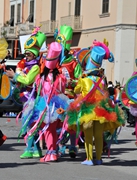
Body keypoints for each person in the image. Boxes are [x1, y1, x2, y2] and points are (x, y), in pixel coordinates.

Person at [65, 39, 125, 166]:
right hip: (101, 111)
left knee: (88, 136)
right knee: (98, 135)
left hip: (87, 110)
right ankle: (98, 159)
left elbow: (76, 90)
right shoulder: (101, 80)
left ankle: (88, 158)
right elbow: (104, 92)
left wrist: (77, 82)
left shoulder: (84, 80)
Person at [24, 42, 69, 162]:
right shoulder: (60, 77)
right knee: (52, 130)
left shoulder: (41, 77)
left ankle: (50, 153)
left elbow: (39, 91)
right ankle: (53, 151)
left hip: (46, 106)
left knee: (48, 130)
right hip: (58, 105)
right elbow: (63, 90)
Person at [6, 27, 46, 159]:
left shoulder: (35, 67)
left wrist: (16, 76)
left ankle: (29, 149)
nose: (26, 57)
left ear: (34, 55)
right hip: (27, 98)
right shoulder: (27, 66)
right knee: (31, 124)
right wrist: (13, 77)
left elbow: (28, 80)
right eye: (26, 54)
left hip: (32, 98)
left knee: (29, 124)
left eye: (28, 54)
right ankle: (37, 149)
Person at [55, 25, 82, 158]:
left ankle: (73, 146)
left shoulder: (73, 63)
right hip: (57, 97)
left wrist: (72, 82)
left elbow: (80, 80)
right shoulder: (54, 62)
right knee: (58, 122)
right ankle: (60, 146)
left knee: (71, 123)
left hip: (70, 97)